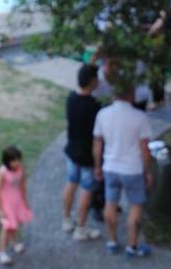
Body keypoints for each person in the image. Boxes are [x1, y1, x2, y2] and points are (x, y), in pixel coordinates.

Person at [93, 80, 154, 258]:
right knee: (135, 206)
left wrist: (98, 166)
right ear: (131, 94)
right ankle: (132, 246)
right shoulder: (140, 117)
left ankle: (112, 241)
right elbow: (145, 149)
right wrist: (147, 171)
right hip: (132, 169)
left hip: (110, 166)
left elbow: (97, 143)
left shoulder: (103, 114)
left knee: (110, 204)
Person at [62, 64, 103, 241]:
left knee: (71, 184)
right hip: (87, 157)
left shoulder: (71, 98)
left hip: (72, 152)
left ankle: (66, 219)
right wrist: (98, 165)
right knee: (86, 190)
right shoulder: (95, 107)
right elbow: (96, 140)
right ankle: (81, 228)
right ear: (93, 81)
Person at [0, 145, 33, 265]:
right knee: (7, 227)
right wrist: (0, 208)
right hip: (6, 202)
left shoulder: (20, 169)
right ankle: (2, 252)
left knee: (14, 224)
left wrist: (24, 201)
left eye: (18, 159)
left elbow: (22, 185)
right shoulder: (3, 172)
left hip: (16, 200)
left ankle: (14, 243)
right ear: (7, 161)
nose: (16, 163)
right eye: (13, 160)